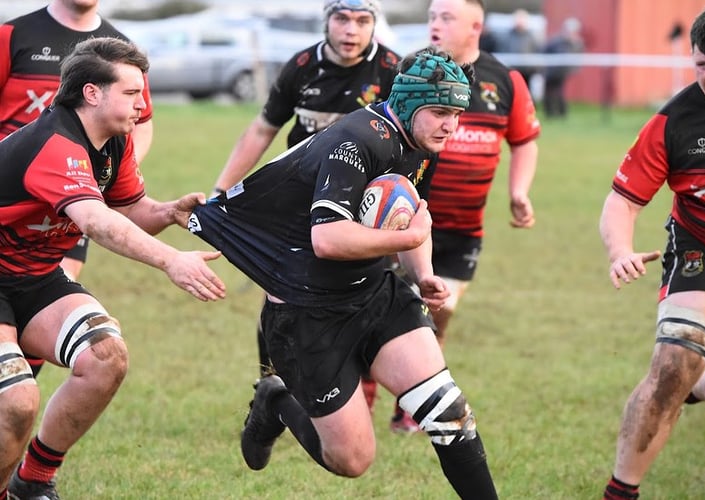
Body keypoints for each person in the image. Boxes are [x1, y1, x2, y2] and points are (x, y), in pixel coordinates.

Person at [189, 47, 499, 499]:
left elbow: (412, 215)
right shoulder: (358, 141)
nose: (451, 125)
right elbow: (328, 239)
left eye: (456, 113)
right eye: (439, 112)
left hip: (375, 294)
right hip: (307, 313)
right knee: (352, 460)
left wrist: (423, 272)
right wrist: (406, 243)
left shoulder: (420, 142)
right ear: (409, 104)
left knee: (449, 414)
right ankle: (275, 401)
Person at [0, 36, 226, 500]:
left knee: (106, 359)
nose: (144, 106)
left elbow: (128, 209)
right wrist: (170, 261)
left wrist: (168, 212)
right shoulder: (54, 143)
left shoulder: (113, 144)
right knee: (18, 402)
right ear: (92, 93)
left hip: (36, 278)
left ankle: (34, 481)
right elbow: (97, 222)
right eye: (132, 93)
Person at [212, 0, 400, 413]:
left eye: (363, 20)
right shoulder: (301, 66)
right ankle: (269, 388)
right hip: (296, 200)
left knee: (367, 297)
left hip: (363, 205)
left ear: (375, 24)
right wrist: (220, 189)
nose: (351, 30)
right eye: (342, 18)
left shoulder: (391, 70)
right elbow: (263, 128)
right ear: (326, 20)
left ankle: (360, 396)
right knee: (278, 294)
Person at [599, 4, 705, 499]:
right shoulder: (674, 122)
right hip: (701, 249)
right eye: (704, 65)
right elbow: (622, 201)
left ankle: (703, 386)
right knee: (674, 361)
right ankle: (620, 491)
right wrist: (619, 247)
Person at [387, 0, 540, 434]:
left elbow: (525, 138)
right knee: (398, 308)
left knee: (438, 311)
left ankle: (410, 396)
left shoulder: (505, 80)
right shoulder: (412, 72)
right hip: (406, 222)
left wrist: (518, 191)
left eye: (446, 17)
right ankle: (385, 395)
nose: (435, 24)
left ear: (477, 25)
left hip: (464, 228)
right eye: (432, 16)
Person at [0, 0, 156, 378]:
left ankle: (17, 398)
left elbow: (142, 122)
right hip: (19, 193)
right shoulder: (14, 35)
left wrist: (107, 174)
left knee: (46, 297)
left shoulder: (119, 48)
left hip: (75, 199)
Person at [541, 17, 583, 118]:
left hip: (563, 71)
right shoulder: (556, 40)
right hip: (552, 69)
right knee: (551, 91)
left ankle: (560, 113)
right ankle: (551, 112)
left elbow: (577, 58)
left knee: (558, 91)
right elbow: (546, 50)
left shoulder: (576, 43)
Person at [495, 9, 540, 86]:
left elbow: (536, 52)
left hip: (527, 72)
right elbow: (503, 50)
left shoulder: (531, 37)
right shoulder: (507, 36)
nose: (520, 22)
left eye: (522, 19)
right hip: (511, 71)